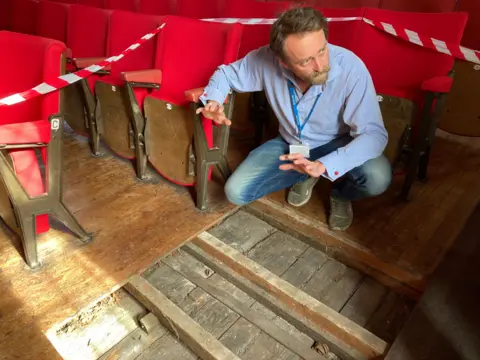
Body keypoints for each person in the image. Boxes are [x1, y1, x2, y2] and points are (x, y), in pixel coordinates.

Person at [197, 6, 392, 231]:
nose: (320, 66)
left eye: (322, 50)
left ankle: (340, 194)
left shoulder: (352, 68)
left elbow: (374, 135)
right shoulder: (265, 59)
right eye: (305, 61)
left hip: (339, 141)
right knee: (236, 192)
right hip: (292, 144)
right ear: (283, 62)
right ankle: (303, 176)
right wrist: (214, 100)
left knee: (377, 177)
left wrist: (324, 165)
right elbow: (226, 74)